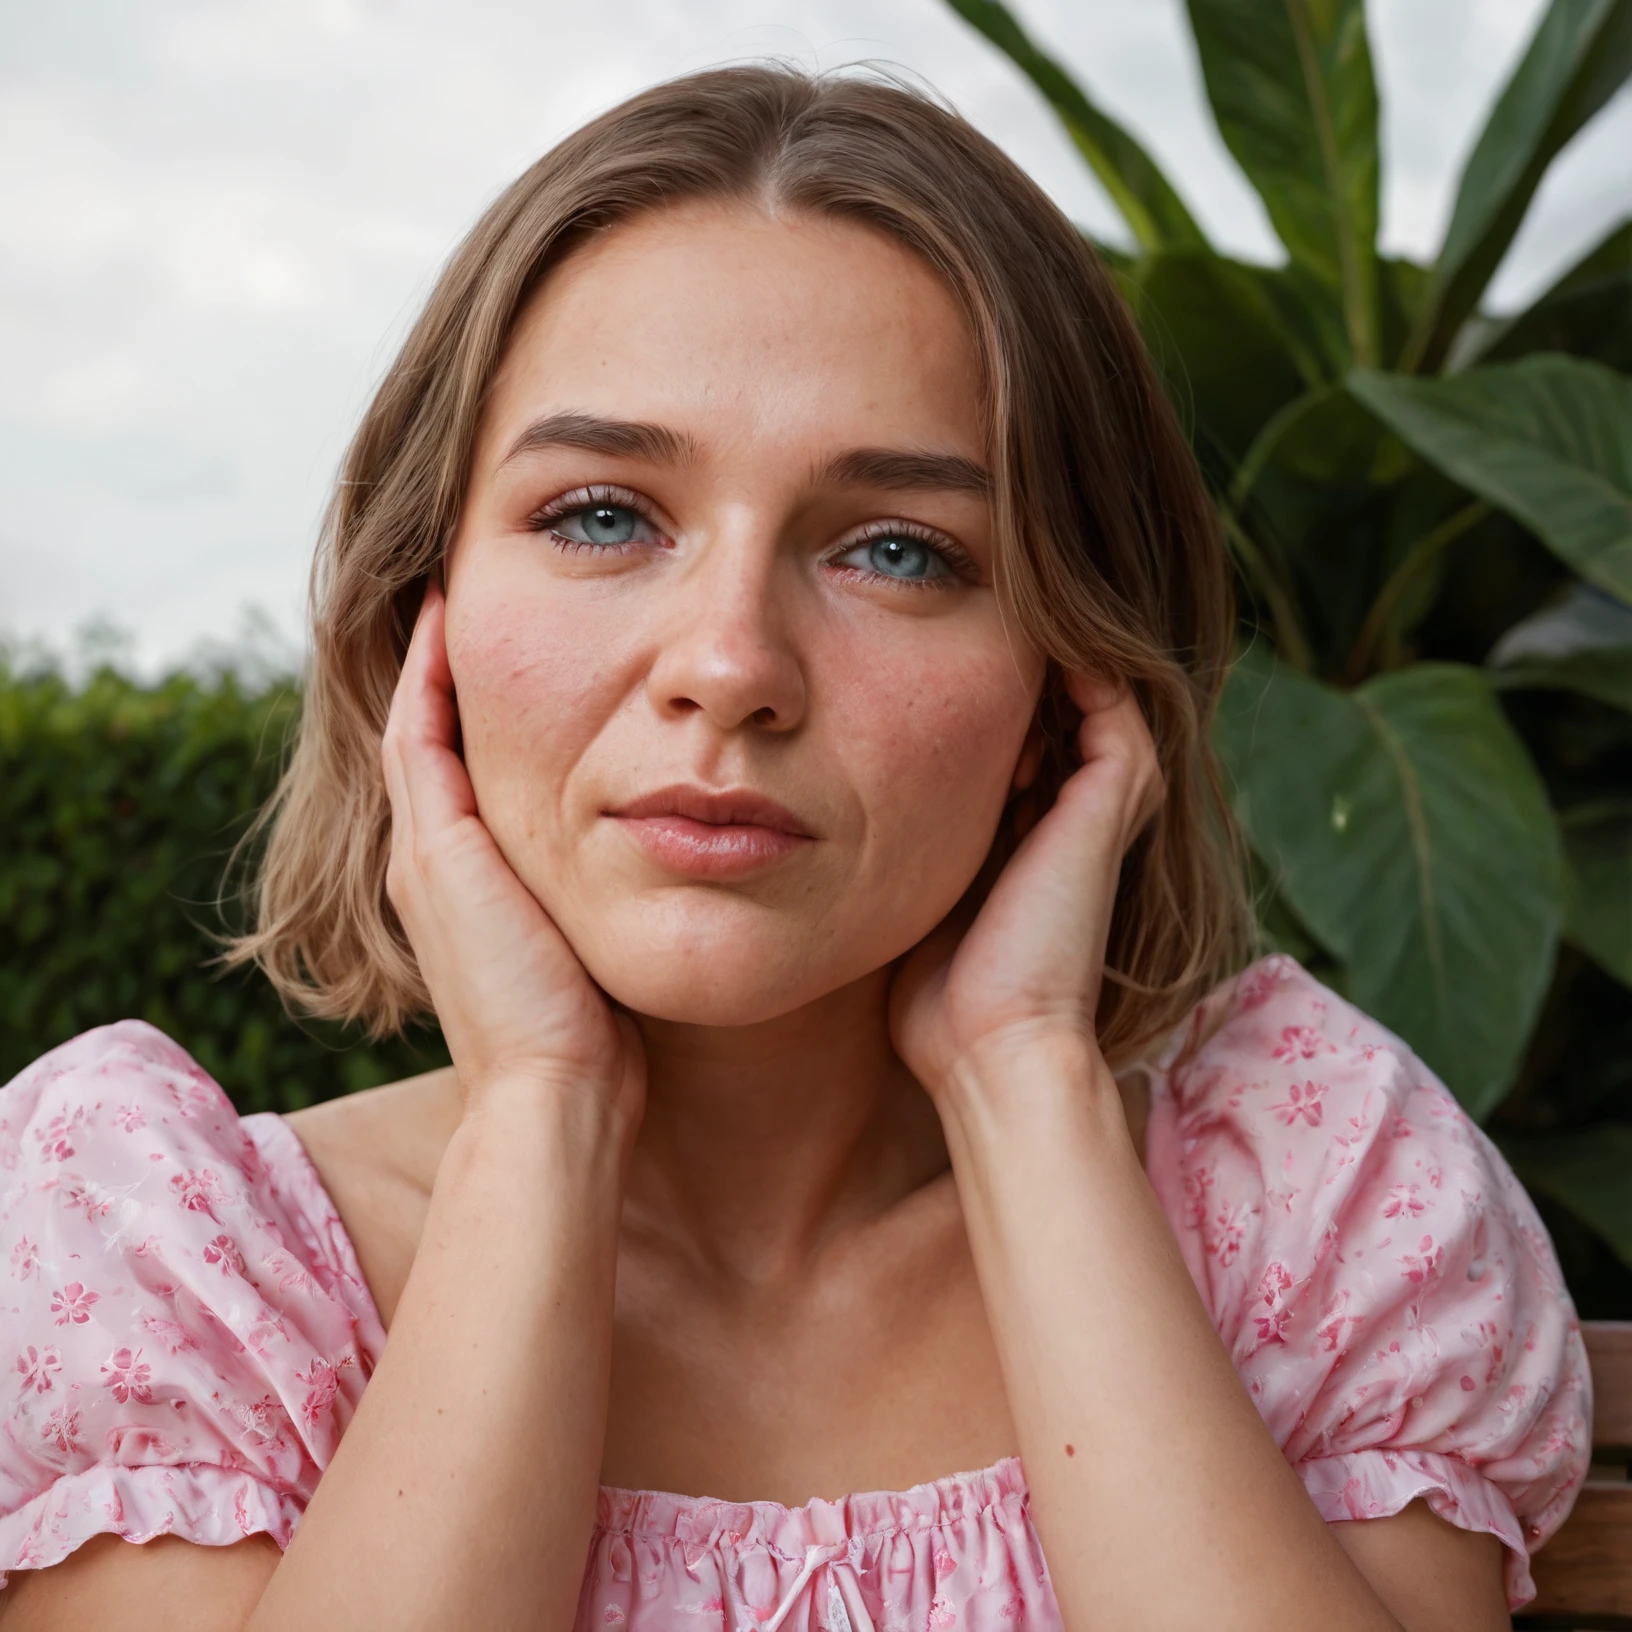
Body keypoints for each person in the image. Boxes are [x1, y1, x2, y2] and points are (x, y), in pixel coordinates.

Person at [0, 65, 1588, 1632]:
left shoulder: (1309, 1207)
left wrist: (1022, 1078)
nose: (731, 663)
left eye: (899, 550)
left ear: (1067, 690)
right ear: (417, 626)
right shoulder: (168, 1265)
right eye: (604, 515)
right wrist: (541, 1118)